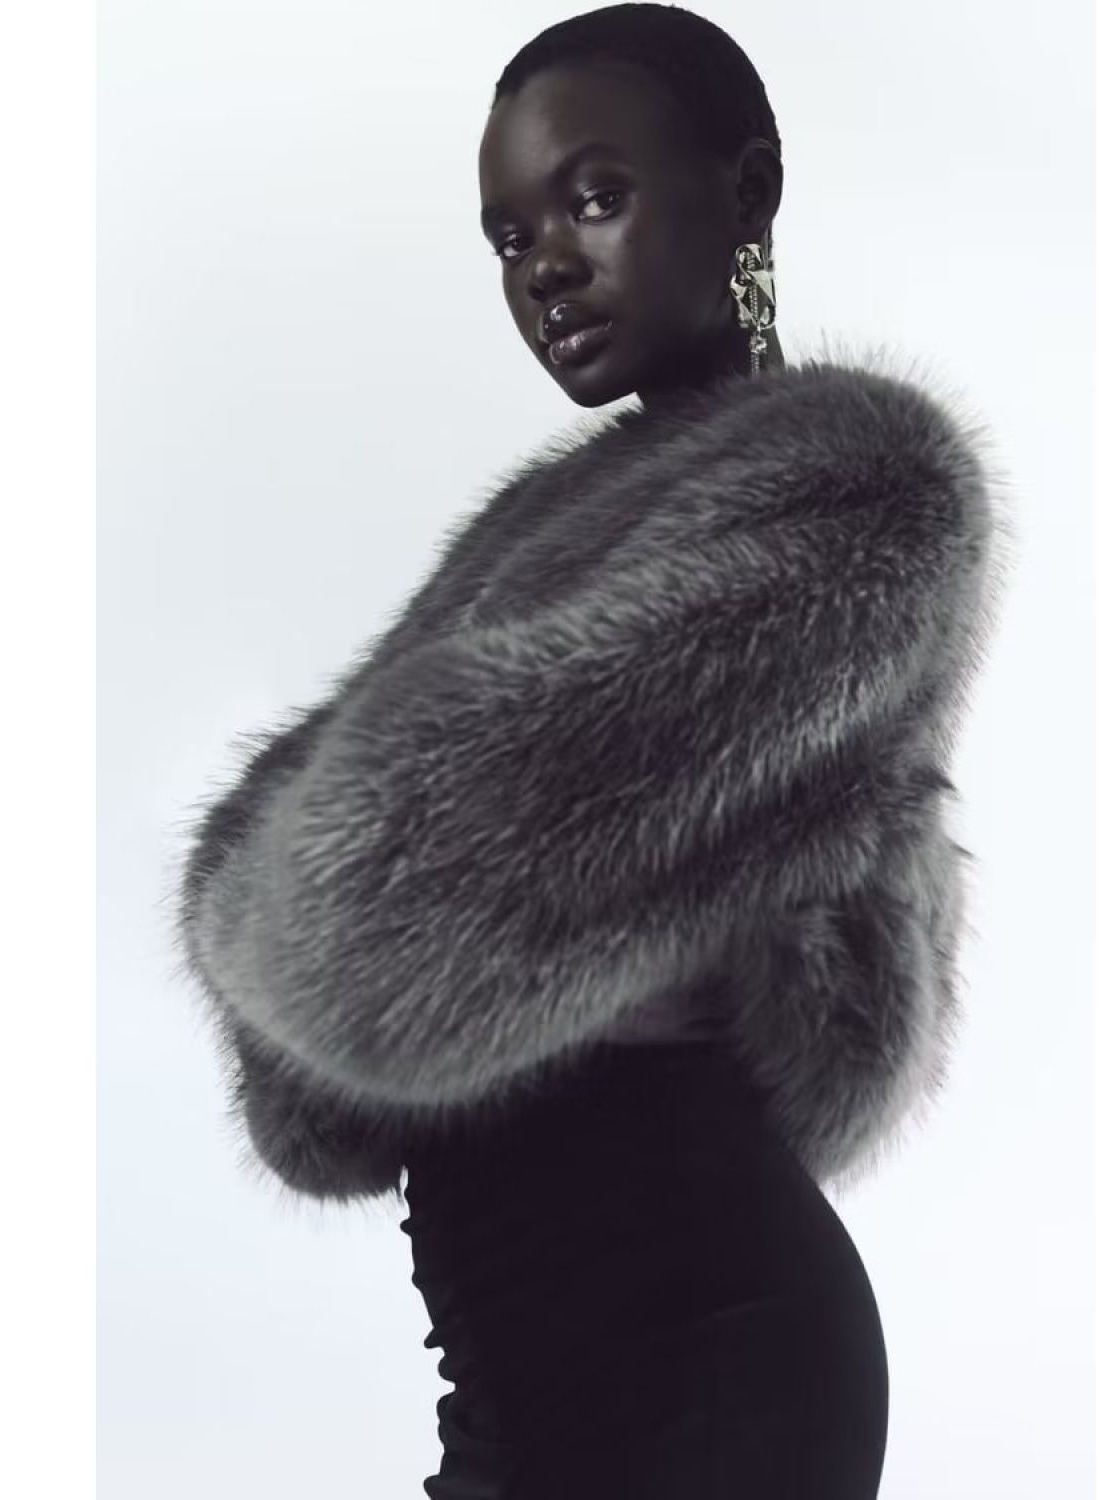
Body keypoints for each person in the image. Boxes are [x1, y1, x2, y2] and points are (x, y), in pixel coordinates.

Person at [169, 6, 1010, 1496]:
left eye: (595, 198)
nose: (544, 263)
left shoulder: (864, 495)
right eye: (509, 237)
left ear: (747, 192)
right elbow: (338, 862)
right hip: (524, 1361)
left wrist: (306, 879)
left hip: (704, 1352)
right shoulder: (551, 526)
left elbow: (373, 883)